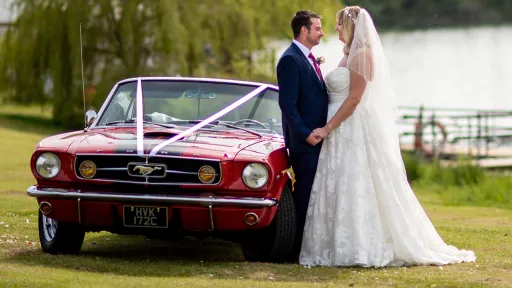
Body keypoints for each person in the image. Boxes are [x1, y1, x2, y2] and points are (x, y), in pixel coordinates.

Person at [298, 6, 476, 267]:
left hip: (352, 128)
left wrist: (327, 128)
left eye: (338, 24)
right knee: (341, 182)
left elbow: (355, 98)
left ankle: (362, 245)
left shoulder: (362, 55)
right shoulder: (349, 54)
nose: (335, 28)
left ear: (350, 26)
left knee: (359, 182)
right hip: (341, 129)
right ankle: (336, 244)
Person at [276, 10, 328, 259]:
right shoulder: (290, 59)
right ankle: (292, 249)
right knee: (304, 195)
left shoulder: (305, 57)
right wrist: (306, 134)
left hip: (316, 139)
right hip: (305, 142)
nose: (322, 32)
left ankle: (304, 245)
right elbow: (287, 105)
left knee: (312, 193)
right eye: (317, 28)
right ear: (304, 31)